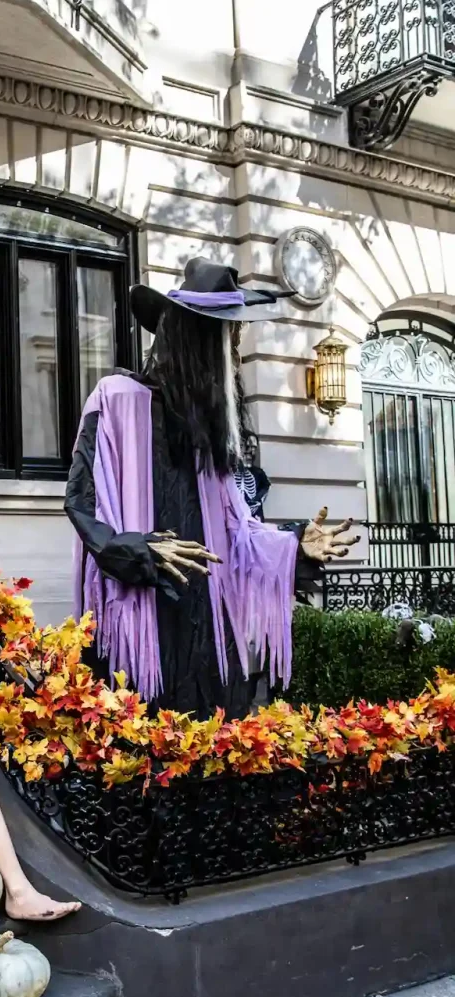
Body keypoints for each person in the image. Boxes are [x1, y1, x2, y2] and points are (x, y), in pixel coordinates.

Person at [65, 258, 359, 719]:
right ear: (201, 340)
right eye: (231, 339)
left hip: (208, 622)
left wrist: (296, 542)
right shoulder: (117, 398)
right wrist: (139, 550)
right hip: (143, 614)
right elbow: (83, 504)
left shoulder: (209, 432)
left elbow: (237, 530)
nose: (237, 355)